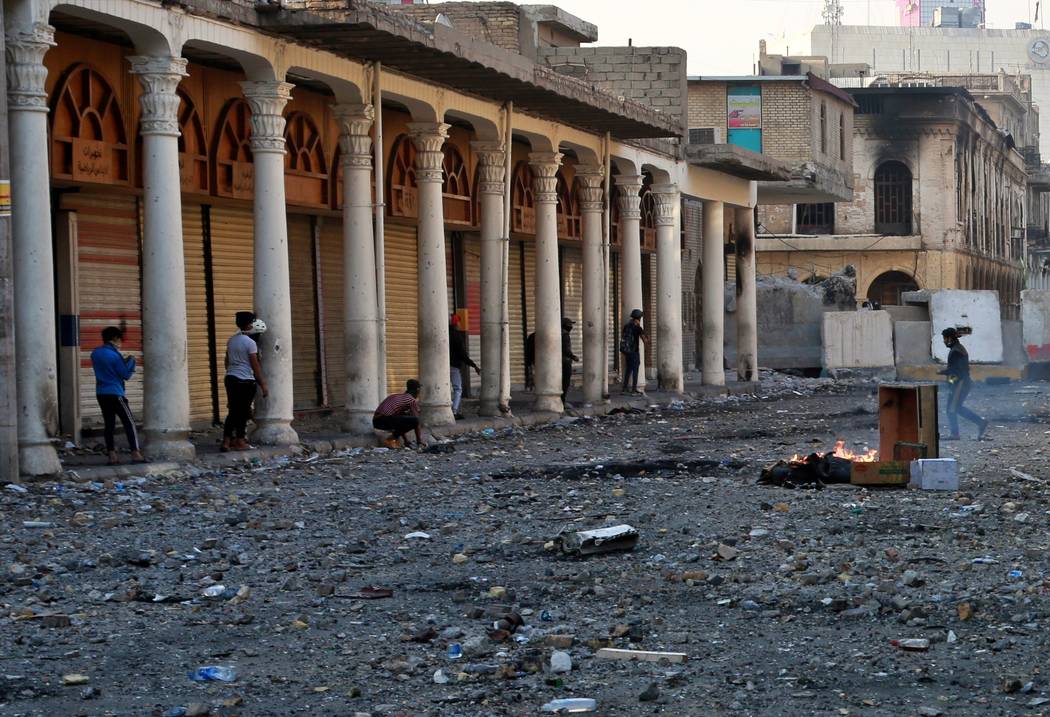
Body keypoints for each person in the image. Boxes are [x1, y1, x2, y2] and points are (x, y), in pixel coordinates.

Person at [90, 326, 145, 465]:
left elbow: (108, 369)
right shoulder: (115, 355)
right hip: (116, 393)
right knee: (129, 423)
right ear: (115, 338)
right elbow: (125, 374)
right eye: (120, 339)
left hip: (101, 393)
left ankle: (112, 456)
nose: (120, 343)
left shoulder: (95, 353)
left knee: (109, 425)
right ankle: (135, 453)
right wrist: (131, 361)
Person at [221, 311, 269, 453]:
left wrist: (232, 371)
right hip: (245, 381)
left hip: (230, 378)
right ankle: (240, 441)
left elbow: (227, 361)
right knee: (242, 413)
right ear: (249, 324)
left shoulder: (232, 340)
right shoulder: (250, 343)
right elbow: (255, 366)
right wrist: (263, 384)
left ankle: (226, 441)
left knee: (233, 412)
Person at [940, 327, 988, 440]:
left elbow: (956, 371)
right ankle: (980, 422)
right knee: (956, 408)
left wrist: (946, 377)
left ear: (950, 338)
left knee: (951, 409)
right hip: (961, 383)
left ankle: (955, 434)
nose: (944, 341)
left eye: (945, 338)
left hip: (960, 384)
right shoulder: (958, 349)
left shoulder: (956, 351)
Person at [374, 379, 425, 448]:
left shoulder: (397, 396)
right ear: (417, 390)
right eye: (419, 390)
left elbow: (401, 424)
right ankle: (390, 439)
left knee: (405, 418)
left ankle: (394, 439)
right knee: (414, 420)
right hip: (384, 419)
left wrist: (406, 441)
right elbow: (416, 421)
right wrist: (419, 441)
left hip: (376, 421)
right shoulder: (411, 400)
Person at [449, 314, 480, 420]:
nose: (458, 324)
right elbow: (463, 355)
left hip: (441, 368)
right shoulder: (457, 336)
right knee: (458, 389)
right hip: (453, 367)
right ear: (455, 323)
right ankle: (454, 411)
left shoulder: (443, 333)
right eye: (457, 322)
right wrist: (474, 365)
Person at [619, 308, 648, 395]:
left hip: (626, 351)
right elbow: (645, 340)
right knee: (635, 369)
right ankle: (634, 389)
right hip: (634, 351)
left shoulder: (626, 326)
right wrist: (644, 332)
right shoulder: (638, 328)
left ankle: (624, 389)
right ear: (639, 318)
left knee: (628, 369)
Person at [561, 317, 579, 403]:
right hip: (565, 362)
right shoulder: (565, 336)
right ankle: (562, 401)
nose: (571, 327)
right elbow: (566, 349)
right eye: (569, 325)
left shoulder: (559, 334)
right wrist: (573, 357)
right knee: (565, 383)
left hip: (559, 362)